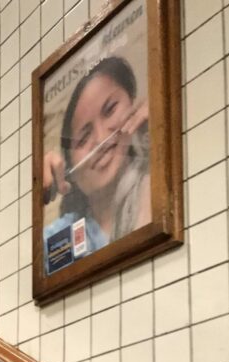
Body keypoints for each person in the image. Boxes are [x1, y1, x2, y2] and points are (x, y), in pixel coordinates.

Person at [42, 56, 150, 270]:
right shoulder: (63, 237)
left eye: (110, 109)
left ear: (133, 104)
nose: (101, 140)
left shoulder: (156, 180)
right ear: (70, 170)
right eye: (82, 139)